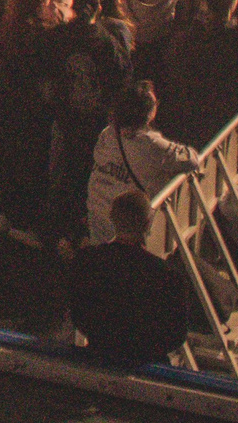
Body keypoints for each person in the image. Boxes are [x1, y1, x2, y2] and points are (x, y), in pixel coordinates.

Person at [66, 189, 196, 367]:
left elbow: (79, 315)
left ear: (112, 218)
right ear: (148, 223)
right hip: (148, 364)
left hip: (99, 355)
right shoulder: (168, 276)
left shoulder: (87, 262)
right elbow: (176, 335)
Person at [86, 82, 199, 244]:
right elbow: (191, 160)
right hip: (130, 230)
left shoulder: (107, 134)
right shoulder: (150, 144)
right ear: (148, 112)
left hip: (99, 220)